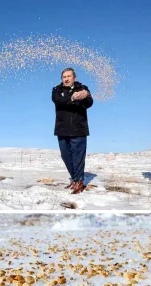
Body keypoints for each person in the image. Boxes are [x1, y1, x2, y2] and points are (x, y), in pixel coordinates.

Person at [52, 67, 93, 195]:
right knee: (66, 155)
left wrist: (85, 96)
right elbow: (58, 101)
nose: (66, 79)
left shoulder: (82, 88)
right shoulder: (57, 90)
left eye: (69, 76)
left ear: (74, 78)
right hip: (62, 129)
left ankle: (78, 181)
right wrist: (73, 98)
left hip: (79, 128)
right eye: (64, 77)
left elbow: (89, 103)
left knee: (78, 156)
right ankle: (75, 178)